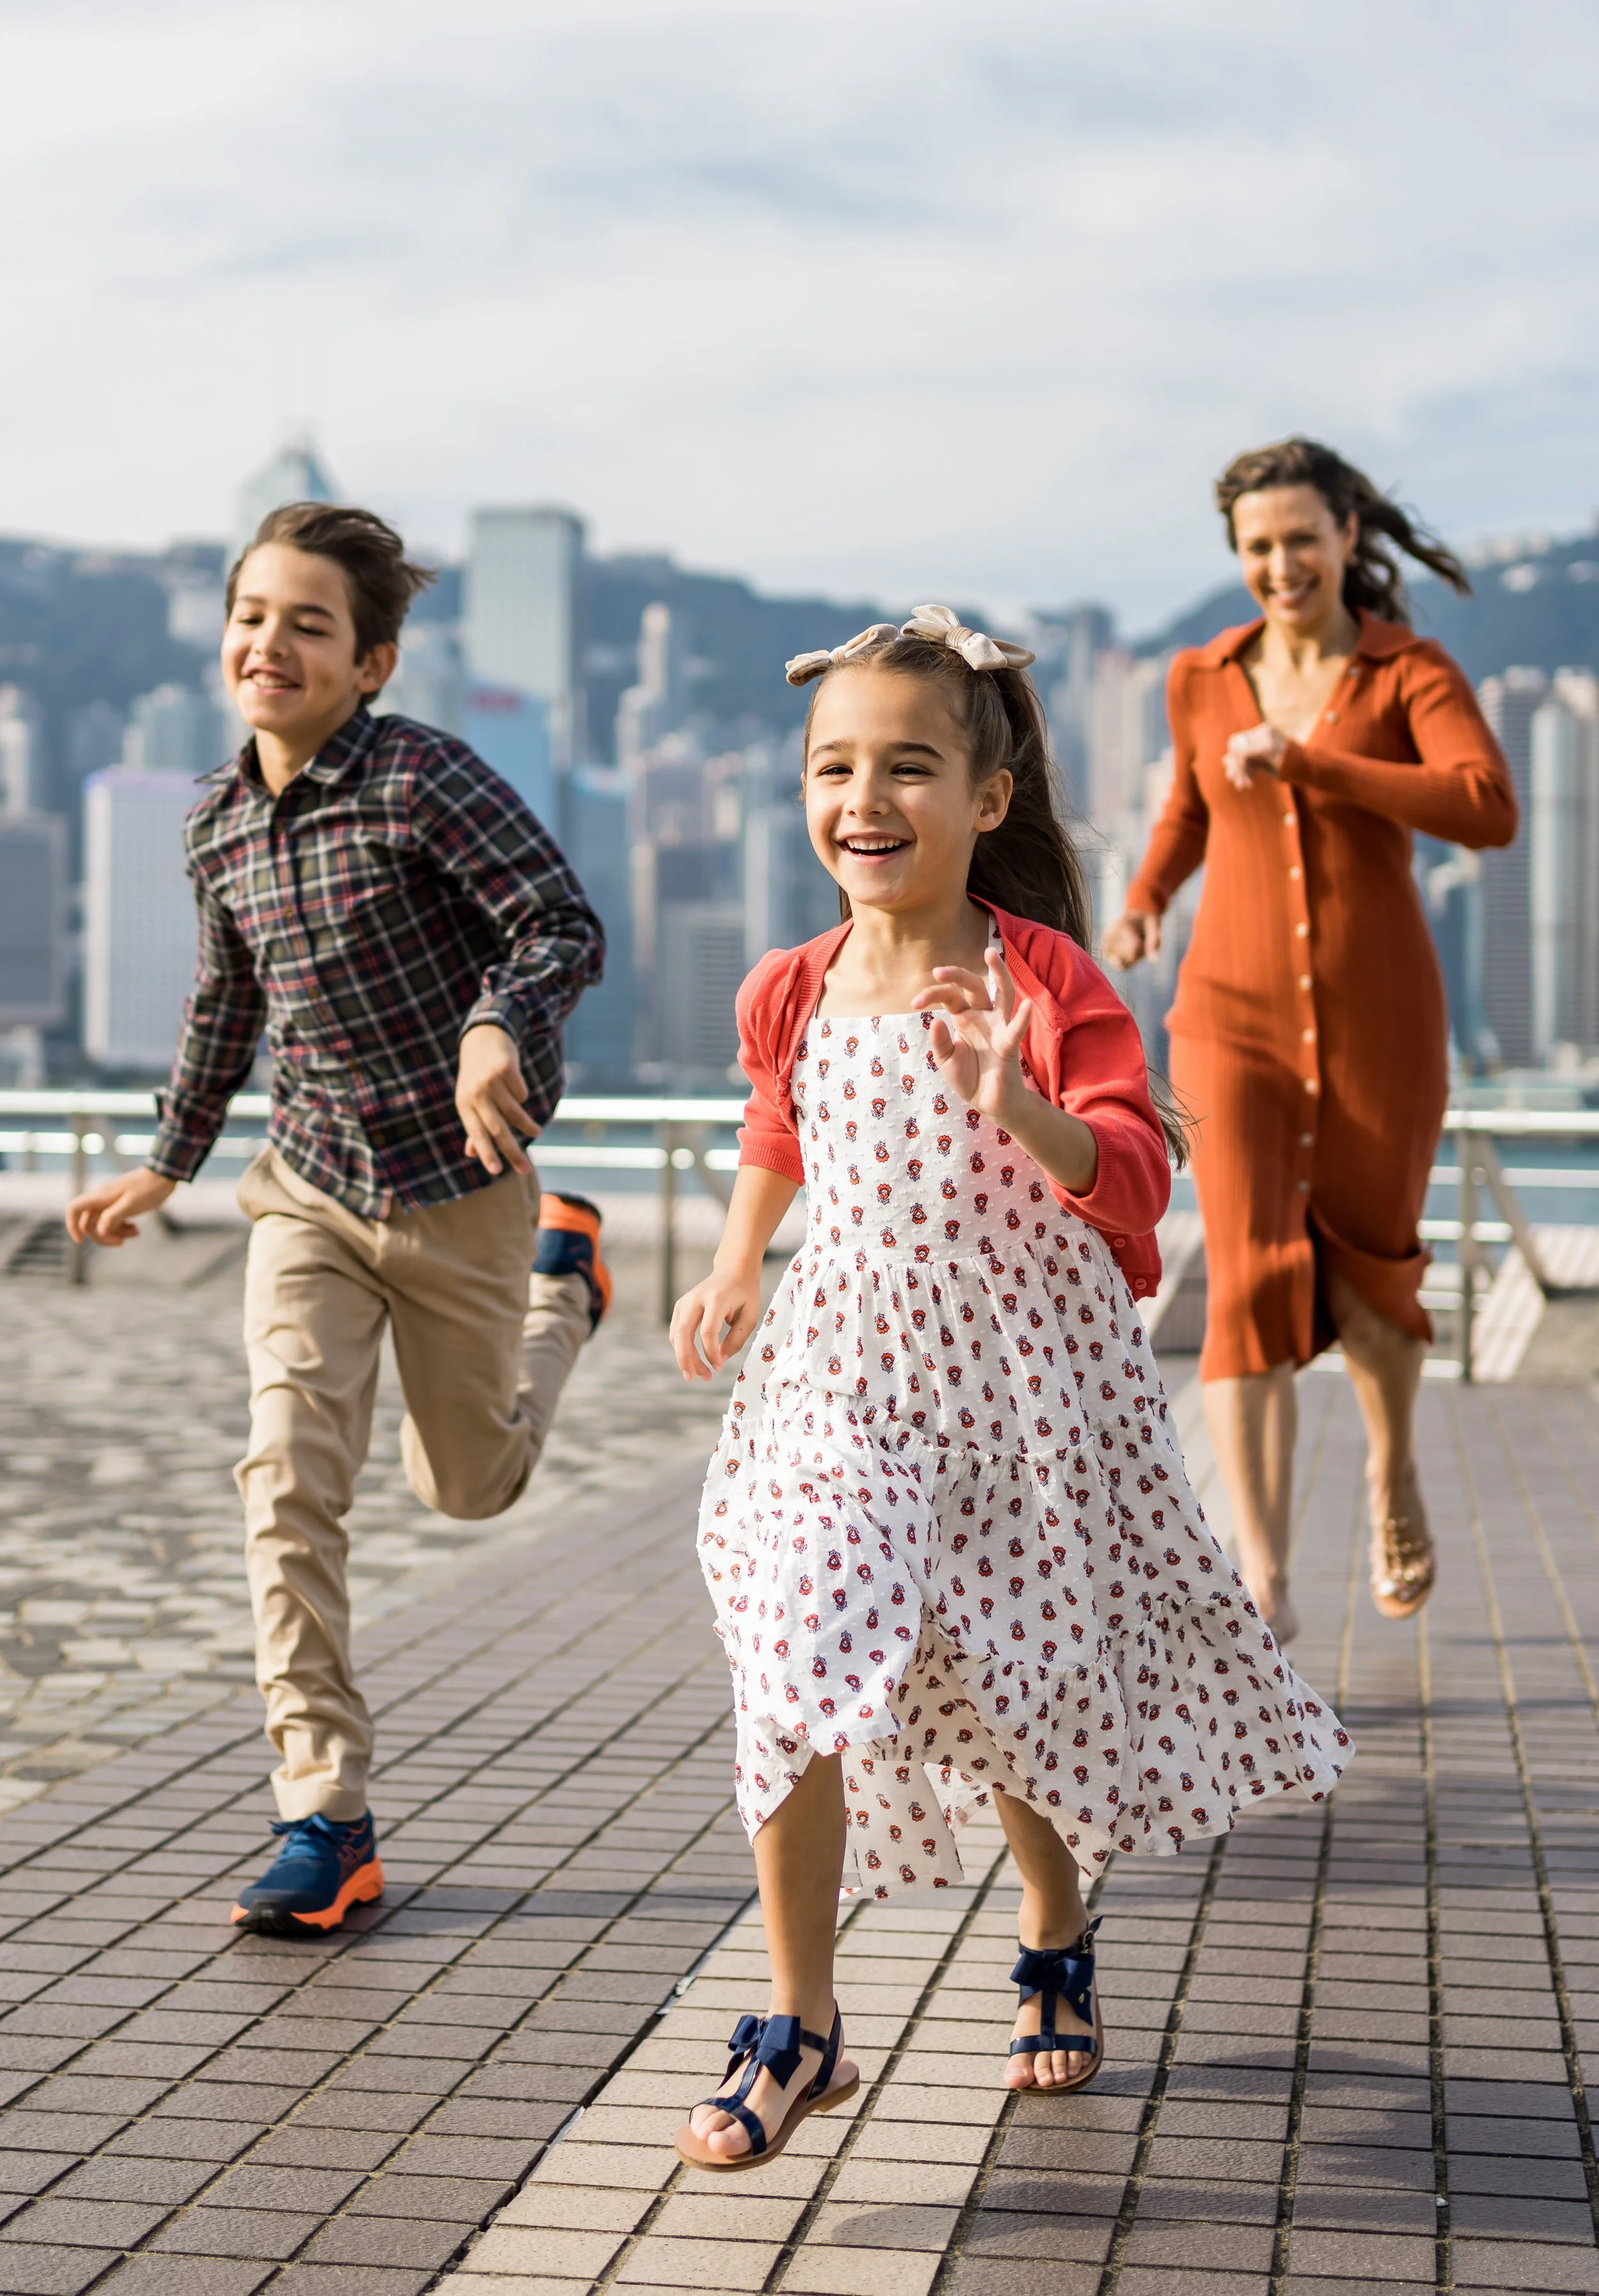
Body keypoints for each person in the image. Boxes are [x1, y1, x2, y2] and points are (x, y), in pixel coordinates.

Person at [665, 606, 1349, 2171]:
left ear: (986, 800)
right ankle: (798, 2020)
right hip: (839, 1371)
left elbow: (1127, 1178)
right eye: (832, 767)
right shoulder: (791, 982)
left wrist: (1016, 1101)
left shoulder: (1038, 979)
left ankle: (1050, 1927)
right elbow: (781, 1127)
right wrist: (730, 1263)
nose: (864, 798)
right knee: (791, 1643)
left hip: (1021, 1395)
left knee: (1006, 1693)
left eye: (908, 766)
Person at [67, 503, 610, 1935]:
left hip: (463, 1191)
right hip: (305, 1187)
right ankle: (325, 1815)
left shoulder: (425, 778)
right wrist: (166, 1168)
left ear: (370, 663)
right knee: (285, 1481)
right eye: (253, 615)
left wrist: (497, 1027)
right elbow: (224, 1006)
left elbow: (559, 922)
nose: (272, 643)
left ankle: (568, 1295)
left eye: (310, 624)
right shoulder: (213, 821)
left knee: (468, 1487)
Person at [1105, 439, 1517, 1642]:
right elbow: (1188, 801)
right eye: (1256, 547)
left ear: (1347, 536)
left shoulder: (1408, 670)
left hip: (1380, 1015)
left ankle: (1393, 1475)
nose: (1279, 565)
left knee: (1375, 1275)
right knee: (1245, 1281)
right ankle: (1267, 1588)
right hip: (1225, 1015)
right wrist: (1144, 900)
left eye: (1299, 540)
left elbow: (1486, 804)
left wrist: (1315, 763)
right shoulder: (1202, 676)